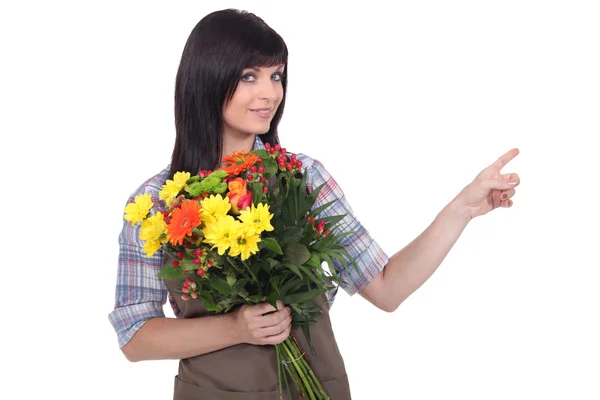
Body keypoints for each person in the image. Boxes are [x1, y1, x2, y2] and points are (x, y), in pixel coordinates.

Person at [109, 8, 520, 399]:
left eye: (277, 75)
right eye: (250, 76)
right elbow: (135, 336)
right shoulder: (155, 203)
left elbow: (386, 289)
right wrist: (236, 328)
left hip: (316, 389)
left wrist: (462, 209)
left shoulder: (301, 177)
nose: (270, 93)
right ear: (206, 80)